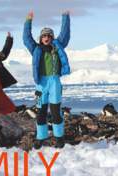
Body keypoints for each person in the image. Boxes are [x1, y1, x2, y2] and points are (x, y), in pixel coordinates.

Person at [23, 10, 71, 149]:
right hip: (40, 84)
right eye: (44, 35)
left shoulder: (58, 47)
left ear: (52, 37)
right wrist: (28, 21)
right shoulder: (36, 49)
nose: (46, 37)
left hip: (55, 82)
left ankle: (59, 137)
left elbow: (65, 33)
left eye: (49, 35)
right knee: (40, 112)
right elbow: (26, 38)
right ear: (40, 38)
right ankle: (41, 137)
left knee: (56, 112)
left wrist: (65, 16)